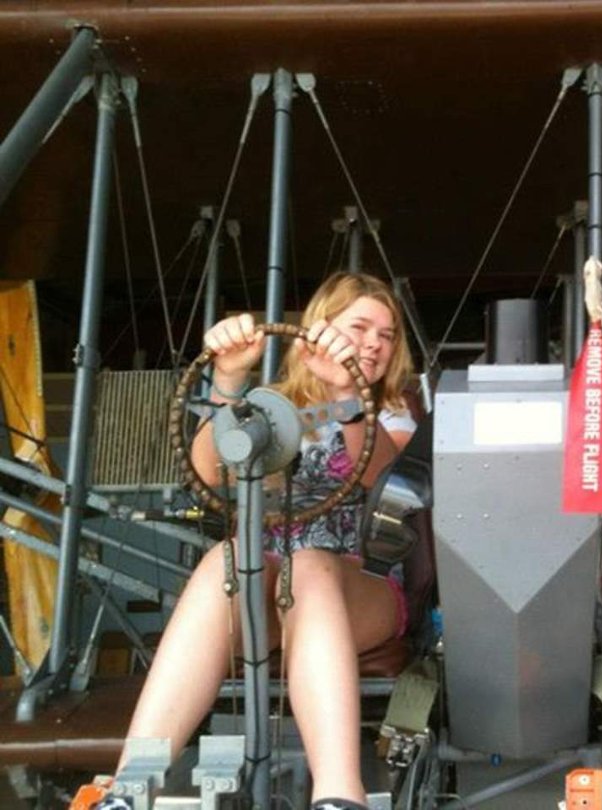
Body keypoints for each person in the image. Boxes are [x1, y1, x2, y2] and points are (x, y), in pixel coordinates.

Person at [93, 272, 417, 810]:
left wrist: (348, 392)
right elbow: (208, 473)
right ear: (319, 328)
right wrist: (228, 377)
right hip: (266, 584)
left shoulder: (392, 411)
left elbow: (380, 476)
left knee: (309, 565)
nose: (374, 344)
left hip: (362, 582)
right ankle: (129, 788)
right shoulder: (269, 405)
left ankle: (340, 795)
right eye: (360, 327)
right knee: (228, 557)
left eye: (386, 335)